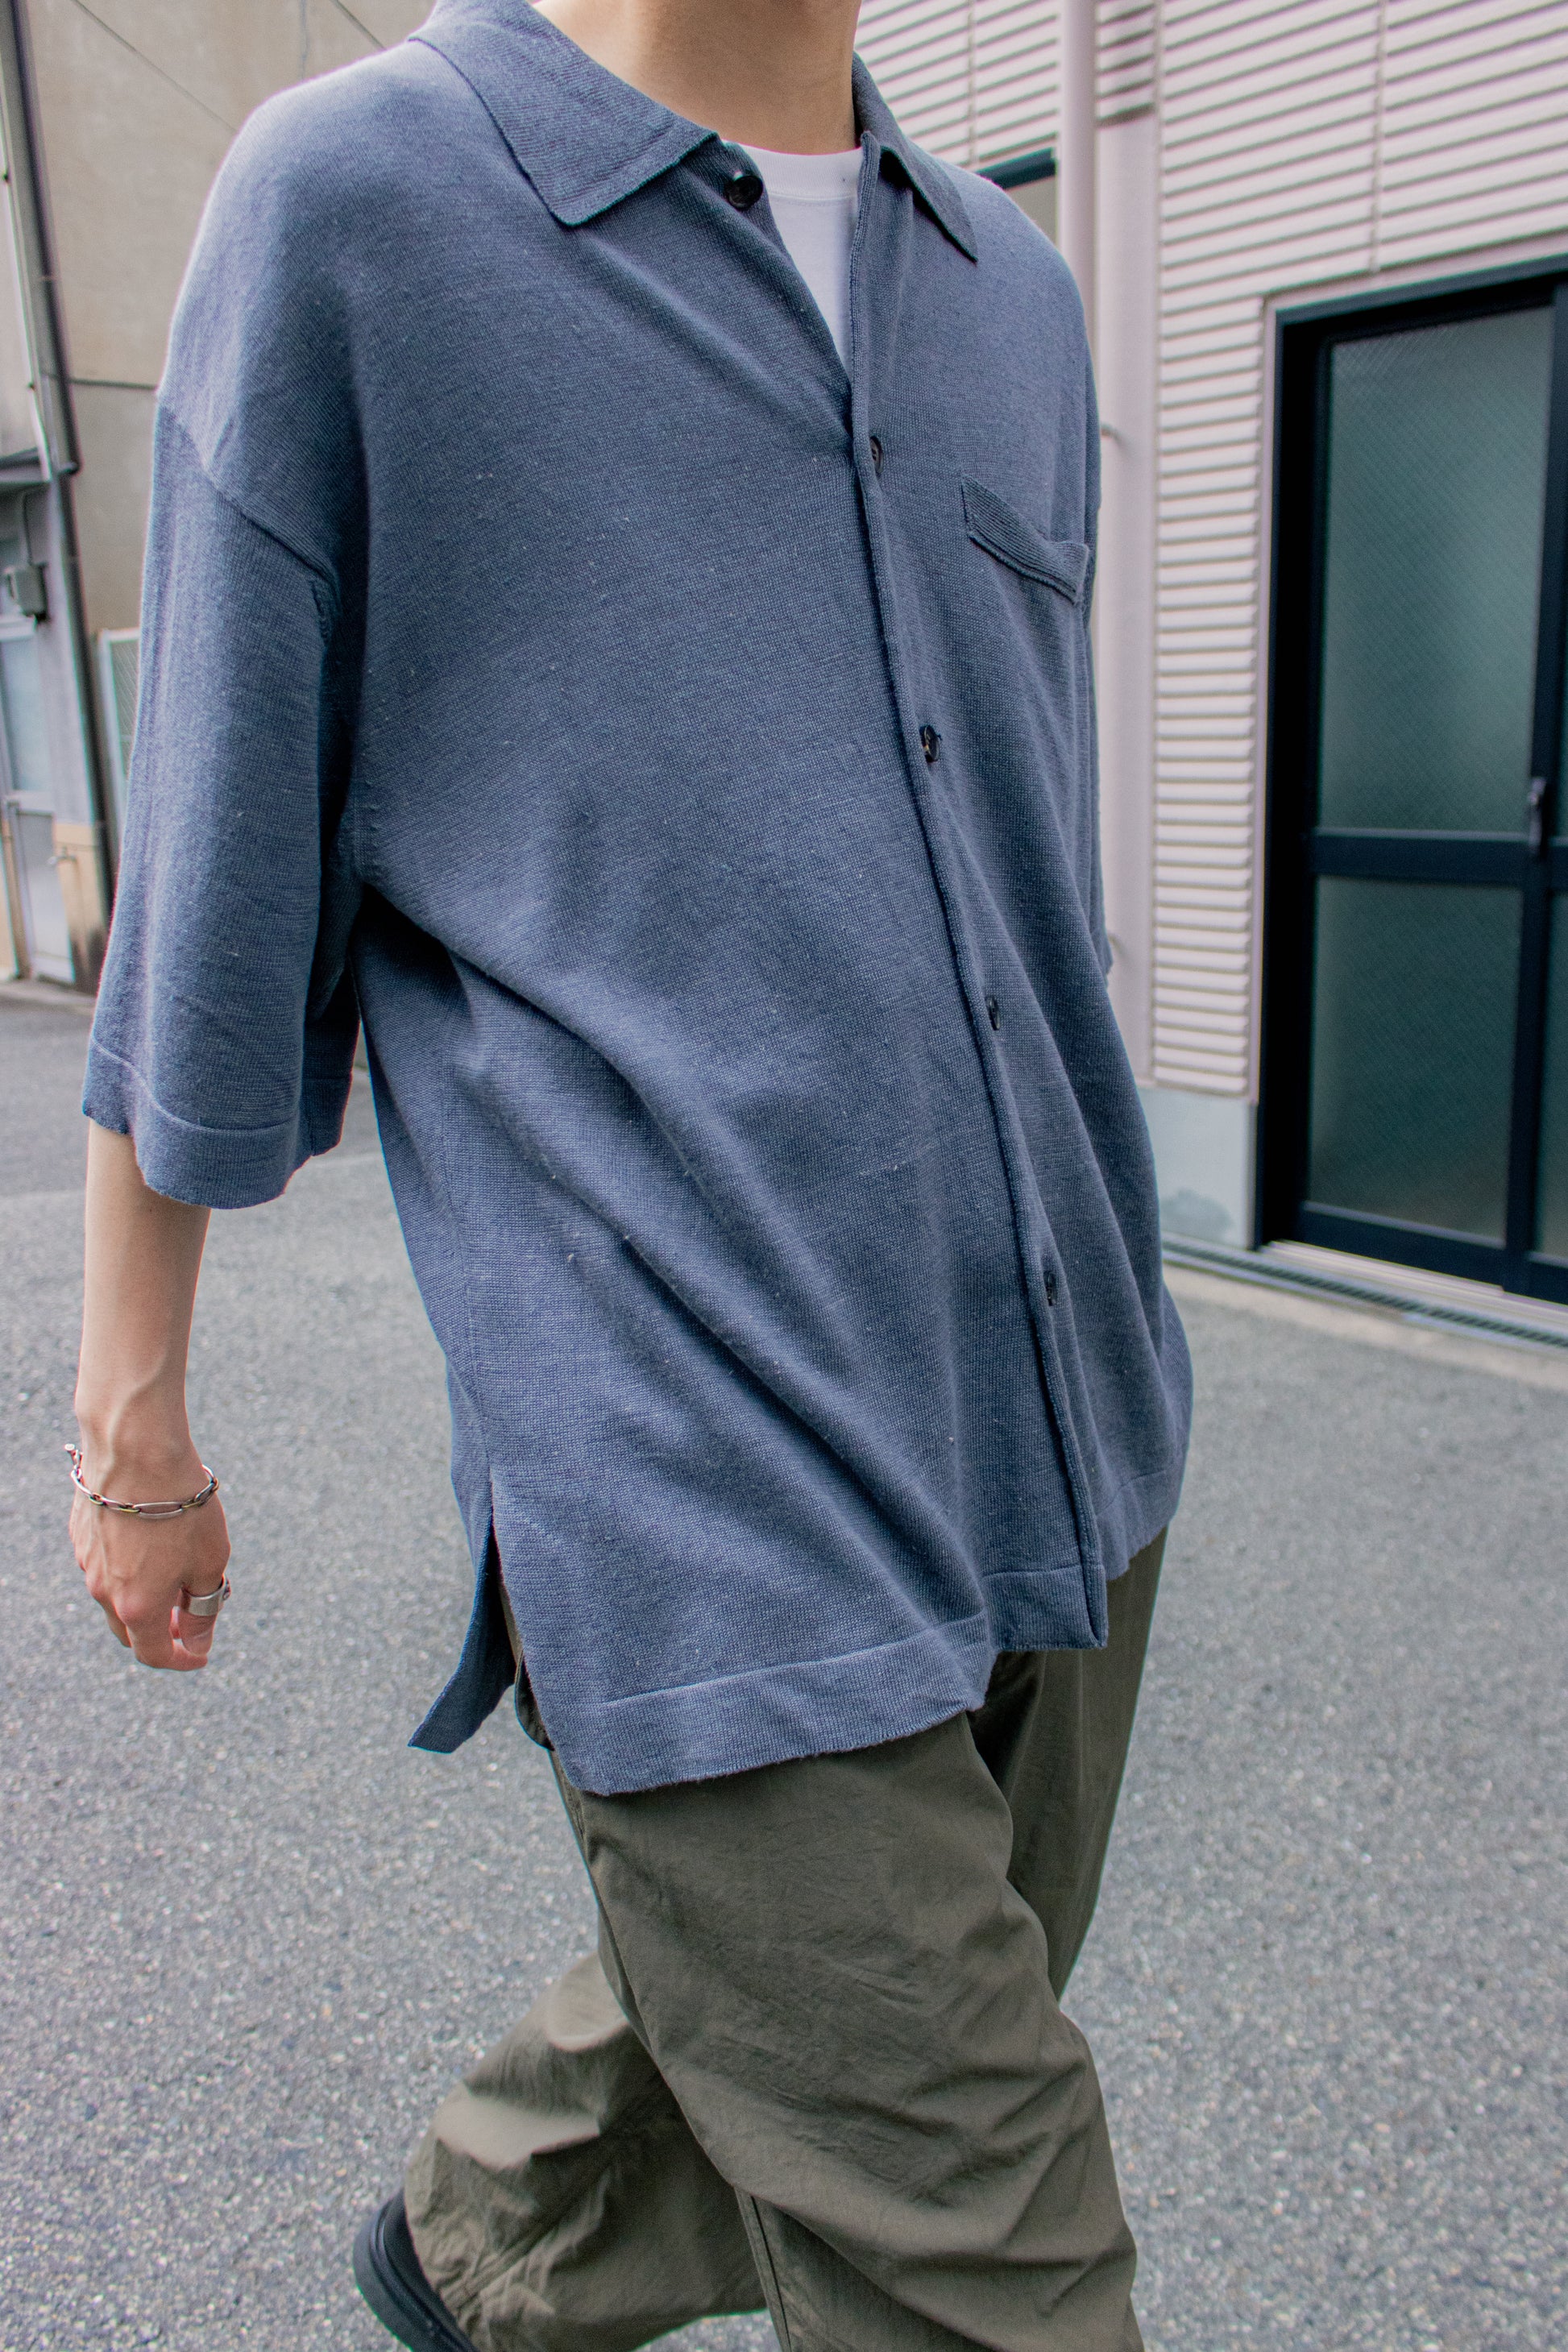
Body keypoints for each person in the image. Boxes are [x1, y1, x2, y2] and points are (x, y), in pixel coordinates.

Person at [68, 1, 1192, 2346]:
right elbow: (210, 886)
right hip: (692, 1464)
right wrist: (131, 1423)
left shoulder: (1011, 293)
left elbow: (1010, 862)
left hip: (1063, 1414)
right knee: (992, 2250)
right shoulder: (357, 210)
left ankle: (490, 2238)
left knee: (893, 2006)